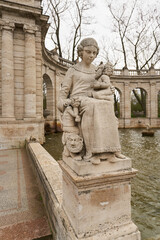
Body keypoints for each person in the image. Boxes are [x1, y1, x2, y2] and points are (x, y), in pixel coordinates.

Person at [58, 38, 125, 164]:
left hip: (93, 97)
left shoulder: (97, 70)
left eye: (94, 53)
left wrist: (108, 87)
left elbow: (100, 86)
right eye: (88, 52)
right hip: (79, 100)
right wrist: (66, 103)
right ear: (81, 52)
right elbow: (63, 95)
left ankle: (111, 150)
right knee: (93, 106)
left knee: (107, 105)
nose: (91, 55)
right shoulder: (73, 70)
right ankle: (92, 151)